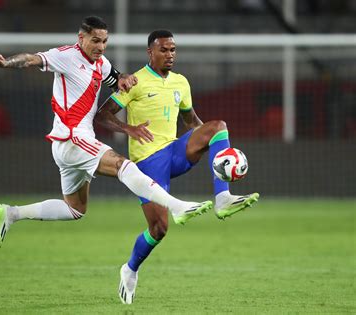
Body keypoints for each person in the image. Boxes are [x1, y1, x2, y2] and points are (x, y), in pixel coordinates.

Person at [0, 17, 212, 250]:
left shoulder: (100, 63)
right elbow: (31, 59)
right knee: (123, 166)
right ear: (81, 38)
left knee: (75, 209)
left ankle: (11, 213)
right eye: (95, 41)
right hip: (73, 138)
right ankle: (176, 206)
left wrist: (125, 79)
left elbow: (116, 78)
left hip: (70, 145)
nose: (101, 47)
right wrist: (6, 63)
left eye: (104, 41)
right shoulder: (66, 56)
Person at [94, 30, 260, 304]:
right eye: (163, 50)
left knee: (218, 126)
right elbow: (102, 114)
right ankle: (130, 269)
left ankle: (222, 198)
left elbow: (191, 120)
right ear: (150, 52)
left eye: (173, 50)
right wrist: (128, 128)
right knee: (159, 229)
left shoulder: (181, 83)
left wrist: (219, 147)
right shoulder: (134, 81)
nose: (170, 55)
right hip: (146, 164)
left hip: (173, 152)